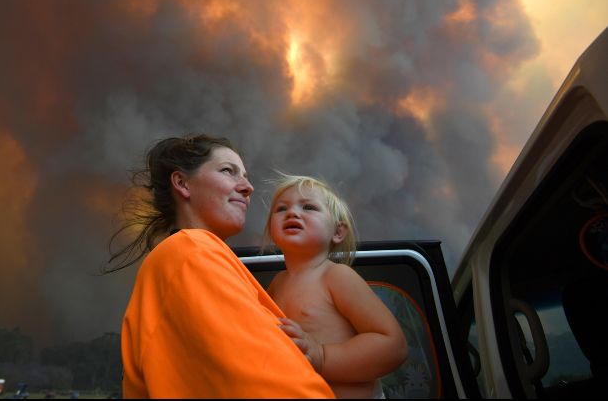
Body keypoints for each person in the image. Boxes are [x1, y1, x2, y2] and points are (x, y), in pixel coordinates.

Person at [107, 134, 334, 398]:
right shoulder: (191, 252)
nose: (248, 187)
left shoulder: (187, 255)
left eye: (246, 176)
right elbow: (266, 384)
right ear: (182, 183)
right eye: (229, 171)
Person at [264, 173, 408, 399]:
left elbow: (393, 345)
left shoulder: (336, 276)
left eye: (309, 207)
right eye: (281, 209)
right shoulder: (277, 283)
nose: (292, 212)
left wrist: (322, 356)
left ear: (338, 232)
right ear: (271, 229)